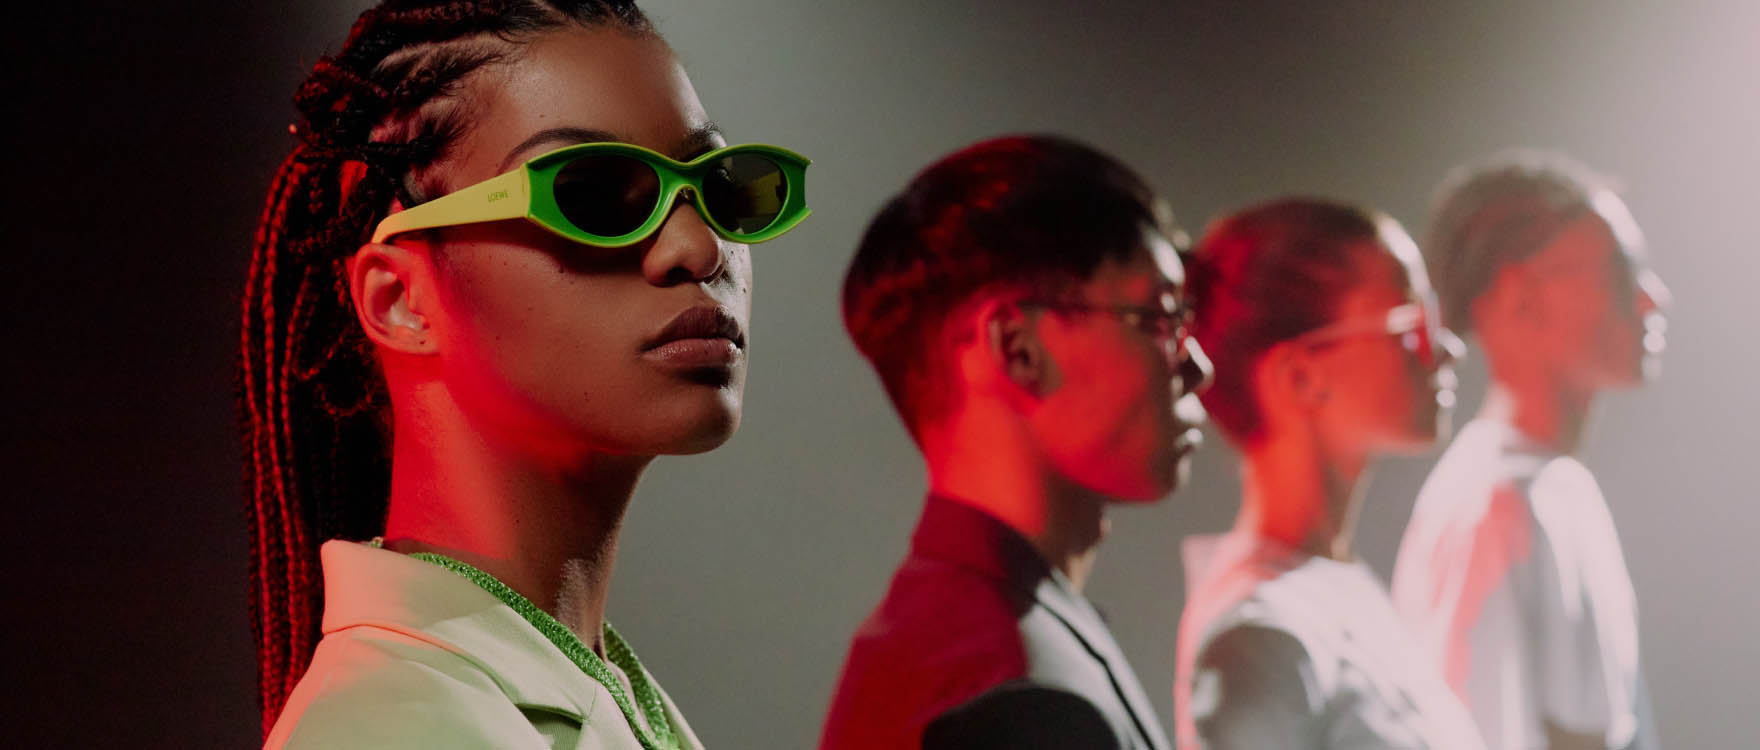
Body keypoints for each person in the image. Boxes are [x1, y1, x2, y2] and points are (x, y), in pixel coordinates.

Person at [238, 2, 810, 747]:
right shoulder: (393, 728)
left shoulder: (589, 692)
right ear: (400, 300)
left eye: (724, 187)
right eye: (594, 193)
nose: (699, 248)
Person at [820, 135, 1212, 750]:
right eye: (1160, 319)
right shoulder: (1012, 690)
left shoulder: (958, 639)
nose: (1199, 366)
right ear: (1017, 349)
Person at [1172, 199, 1484, 749]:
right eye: (1411, 324)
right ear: (1299, 376)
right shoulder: (1259, 638)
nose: (1447, 347)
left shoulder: (1330, 588)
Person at [1391, 152, 1668, 750]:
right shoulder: (1491, 513)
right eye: (1621, 273)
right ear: (1520, 294)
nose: (1653, 300)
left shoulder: (1552, 490)